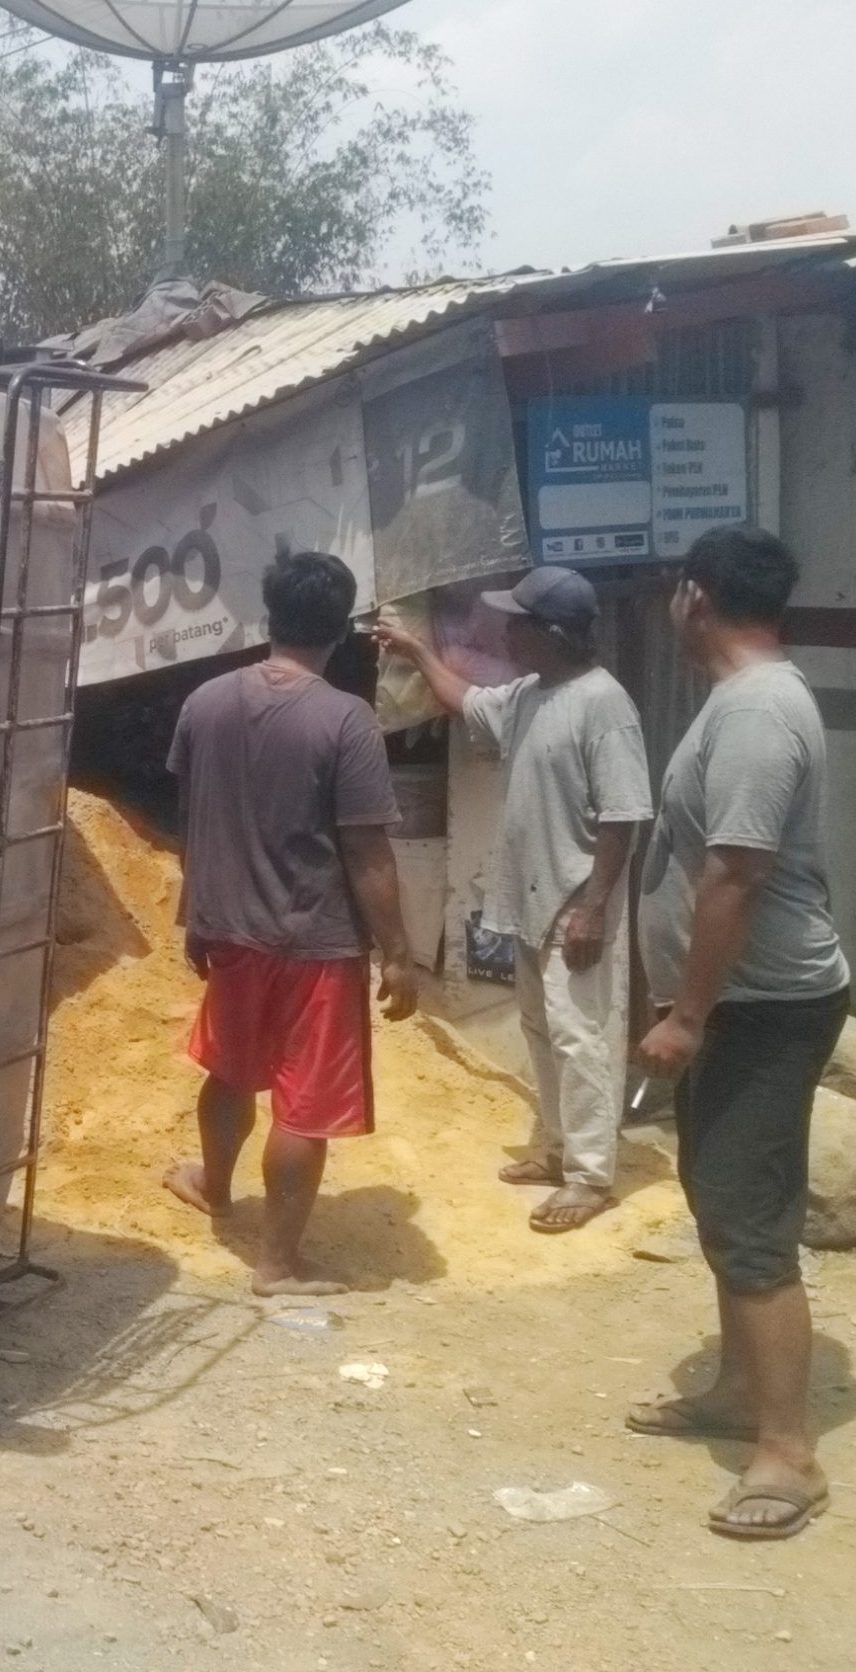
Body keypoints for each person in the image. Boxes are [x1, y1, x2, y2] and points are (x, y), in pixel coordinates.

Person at [625, 525, 849, 1542]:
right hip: (737, 1004)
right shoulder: (739, 700)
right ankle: (731, 1391)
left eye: (677, 594)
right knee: (720, 1199)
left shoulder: (757, 712)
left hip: (759, 1010)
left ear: (694, 598)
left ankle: (785, 1454)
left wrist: (688, 1014)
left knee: (752, 1222)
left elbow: (736, 875)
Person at [161, 550, 421, 1297]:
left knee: (230, 1068)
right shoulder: (347, 720)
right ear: (340, 629)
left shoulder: (204, 702)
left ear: (267, 615)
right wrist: (398, 955)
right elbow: (368, 851)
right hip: (316, 940)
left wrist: (196, 914)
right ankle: (277, 1266)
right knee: (304, 1103)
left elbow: (195, 817)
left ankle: (214, 1185)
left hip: (230, 932)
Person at [375, 567, 653, 1232]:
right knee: (542, 1028)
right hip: (533, 899)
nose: (505, 629)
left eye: (518, 621)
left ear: (551, 633)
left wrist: (594, 905)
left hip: (575, 903)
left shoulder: (602, 704)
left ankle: (589, 1174)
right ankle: (557, 1150)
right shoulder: (532, 693)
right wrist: (415, 652)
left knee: (581, 1036)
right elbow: (466, 700)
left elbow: (624, 815)